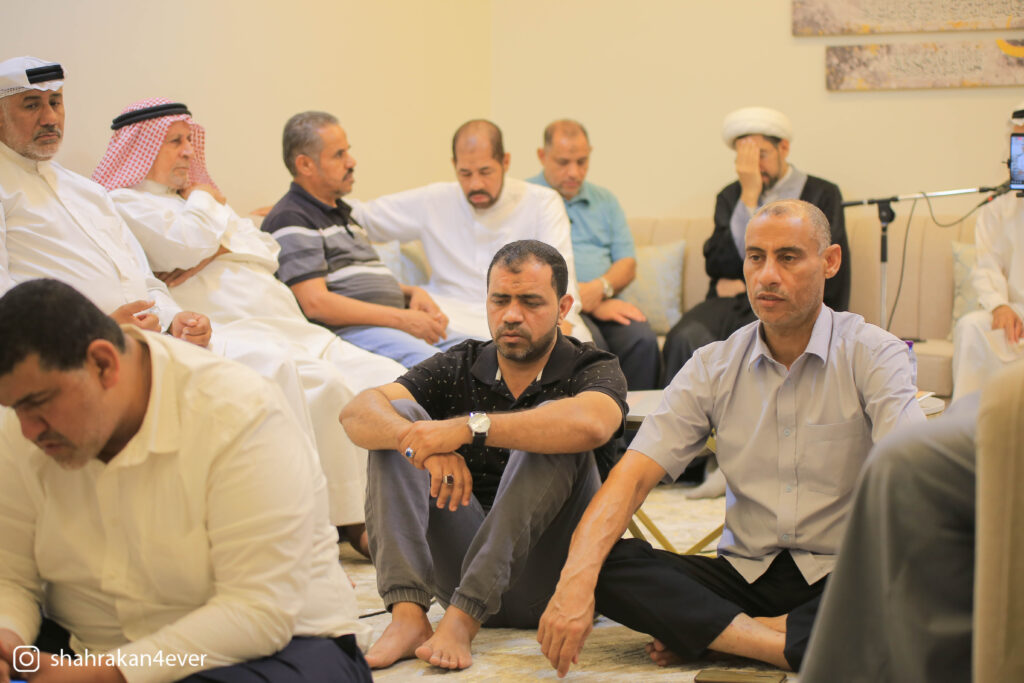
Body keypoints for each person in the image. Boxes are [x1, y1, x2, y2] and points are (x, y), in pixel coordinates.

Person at [537, 200, 924, 677]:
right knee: (603, 563)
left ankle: (720, 635)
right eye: (756, 257)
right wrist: (575, 581)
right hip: (746, 575)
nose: (767, 276)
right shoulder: (713, 364)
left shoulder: (874, 353)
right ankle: (778, 640)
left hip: (843, 577)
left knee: (933, 574)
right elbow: (632, 478)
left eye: (788, 257)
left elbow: (914, 482)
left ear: (830, 261)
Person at [0, 57, 358, 552]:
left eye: (55, 103)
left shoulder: (85, 191)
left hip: (154, 337)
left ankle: (312, 531)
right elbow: (7, 299)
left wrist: (177, 318)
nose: (49, 118)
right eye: (31, 105)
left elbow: (142, 277)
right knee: (273, 369)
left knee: (280, 364)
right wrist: (93, 328)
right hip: (88, 346)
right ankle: (284, 539)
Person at [0, 279, 372, 683]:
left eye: (37, 405)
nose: (27, 430)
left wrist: (104, 674)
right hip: (92, 651)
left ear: (103, 365)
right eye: (13, 408)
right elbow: (11, 577)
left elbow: (257, 612)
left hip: (272, 649)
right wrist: (8, 640)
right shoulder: (20, 426)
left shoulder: (238, 411)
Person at [92, 98, 408, 551]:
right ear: (141, 149)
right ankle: (351, 521)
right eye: (175, 142)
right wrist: (207, 209)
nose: (189, 152)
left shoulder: (197, 203)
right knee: (328, 387)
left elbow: (266, 249)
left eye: (189, 140)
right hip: (240, 326)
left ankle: (423, 511)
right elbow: (184, 245)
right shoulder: (127, 203)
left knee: (395, 381)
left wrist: (214, 247)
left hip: (295, 326)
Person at [340, 240, 627, 671]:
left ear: (563, 307)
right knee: (400, 423)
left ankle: (462, 621)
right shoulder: (461, 364)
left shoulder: (591, 365)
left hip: (551, 584)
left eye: (530, 302)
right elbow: (356, 412)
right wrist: (420, 445)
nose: (512, 315)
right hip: (459, 570)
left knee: (553, 425)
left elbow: (593, 424)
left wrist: (467, 429)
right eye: (500, 300)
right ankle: (407, 617)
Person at [349, 119, 593, 342]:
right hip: (451, 317)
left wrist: (559, 336)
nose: (476, 184)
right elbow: (363, 217)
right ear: (454, 165)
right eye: (465, 173)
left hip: (524, 312)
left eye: (485, 172)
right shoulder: (434, 200)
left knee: (580, 343)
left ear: (505, 162)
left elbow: (563, 275)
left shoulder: (542, 202)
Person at [261, 111, 469, 368]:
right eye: (339, 155)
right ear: (305, 165)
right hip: (356, 329)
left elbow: (359, 279)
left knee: (492, 353)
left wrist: (414, 292)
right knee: (448, 370)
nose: (351, 162)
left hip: (394, 323)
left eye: (347, 151)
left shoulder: (344, 214)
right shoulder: (291, 217)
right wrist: (402, 319)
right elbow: (316, 303)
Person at [661, 106, 850, 385]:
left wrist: (747, 279)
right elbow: (717, 263)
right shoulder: (730, 195)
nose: (753, 167)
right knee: (683, 337)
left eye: (761, 155)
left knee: (755, 338)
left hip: (790, 299)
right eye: (743, 159)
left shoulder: (822, 193)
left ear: (783, 148)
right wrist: (748, 196)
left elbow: (827, 268)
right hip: (729, 303)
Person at [801, 392, 978, 683]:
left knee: (908, 464)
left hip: (826, 566)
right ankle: (783, 635)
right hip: (753, 568)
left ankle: (777, 639)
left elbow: (899, 433)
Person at [528, 119, 659, 390]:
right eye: (563, 162)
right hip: (559, 308)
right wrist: (585, 300)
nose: (574, 172)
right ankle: (599, 416)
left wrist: (600, 289)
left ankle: (640, 418)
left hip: (604, 299)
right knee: (589, 345)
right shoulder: (527, 198)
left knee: (642, 340)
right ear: (542, 156)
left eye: (582, 161)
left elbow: (627, 263)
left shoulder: (605, 200)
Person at [951, 102, 1024, 401]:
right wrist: (999, 306)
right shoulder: (999, 208)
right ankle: (965, 422)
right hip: (1017, 312)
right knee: (972, 327)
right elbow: (986, 265)